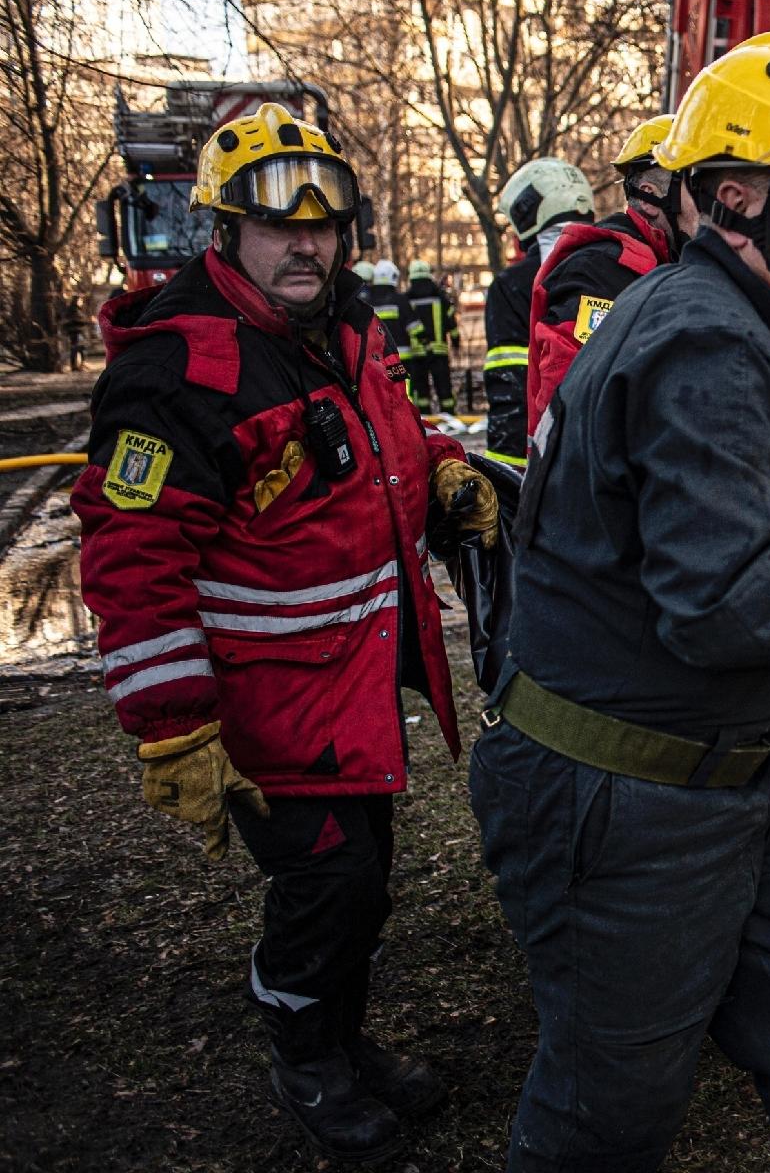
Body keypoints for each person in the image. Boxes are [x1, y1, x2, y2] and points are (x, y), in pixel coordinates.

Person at [467, 30, 770, 1173]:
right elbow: (734, 603)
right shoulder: (701, 338)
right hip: (624, 802)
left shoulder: (739, 325)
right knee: (608, 1113)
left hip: (730, 776)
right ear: (735, 195)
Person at [70, 102, 500, 1165]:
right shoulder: (184, 370)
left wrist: (440, 463)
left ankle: (342, 1034)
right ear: (226, 231)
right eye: (276, 221)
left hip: (347, 688)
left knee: (364, 875)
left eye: (324, 221)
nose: (305, 241)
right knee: (329, 884)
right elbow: (133, 558)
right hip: (267, 700)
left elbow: (384, 432)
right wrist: (171, 726)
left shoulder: (343, 330)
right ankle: (303, 1045)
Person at [522, 113, 700, 442]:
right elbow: (570, 408)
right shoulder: (599, 273)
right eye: (699, 188)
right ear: (651, 197)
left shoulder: (667, 266)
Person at [483, 158, 593, 467]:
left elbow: (510, 383)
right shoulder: (619, 268)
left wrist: (504, 474)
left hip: (541, 459)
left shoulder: (513, 285)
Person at [404, 258, 460, 414]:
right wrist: (456, 342)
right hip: (439, 351)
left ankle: (425, 419)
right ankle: (449, 416)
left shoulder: (407, 298)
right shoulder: (440, 296)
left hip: (416, 352)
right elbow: (451, 322)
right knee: (444, 387)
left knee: (421, 389)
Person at [364, 258, 412, 391]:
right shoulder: (400, 300)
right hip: (402, 357)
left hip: (375, 360)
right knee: (402, 391)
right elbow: (414, 327)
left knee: (380, 391)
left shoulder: (367, 302)